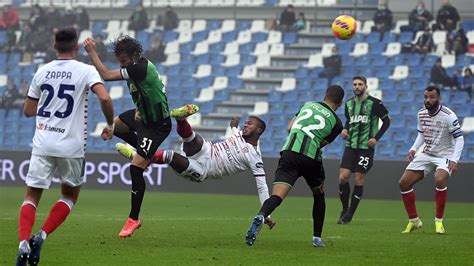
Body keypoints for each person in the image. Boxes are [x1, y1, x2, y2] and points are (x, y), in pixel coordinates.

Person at [15, 28, 115, 265]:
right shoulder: (86, 70)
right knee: (69, 196)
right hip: (71, 147)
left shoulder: (42, 71)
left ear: (54, 46)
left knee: (31, 196)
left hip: (42, 143)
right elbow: (105, 98)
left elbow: (28, 111)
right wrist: (110, 124)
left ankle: (22, 244)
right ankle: (41, 236)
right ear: (77, 47)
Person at [116, 106, 276, 229]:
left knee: (170, 156)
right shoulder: (240, 134)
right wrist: (234, 125)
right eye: (246, 123)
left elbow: (262, 187)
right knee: (193, 139)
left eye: (250, 124)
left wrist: (266, 213)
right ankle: (180, 119)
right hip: (208, 150)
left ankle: (141, 156)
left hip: (203, 169)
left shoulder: (255, 157)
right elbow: (236, 131)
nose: (245, 126)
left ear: (259, 130)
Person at [84, 35, 172, 238]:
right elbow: (148, 93)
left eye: (124, 61)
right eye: (120, 61)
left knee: (135, 168)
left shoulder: (139, 68)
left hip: (157, 126)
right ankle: (146, 153)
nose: (122, 65)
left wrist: (91, 52)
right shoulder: (135, 67)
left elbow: (105, 74)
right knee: (111, 129)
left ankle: (134, 218)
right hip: (143, 117)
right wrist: (140, 109)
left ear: (134, 56)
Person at [245, 85, 345, 247]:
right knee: (319, 194)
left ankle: (262, 215)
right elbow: (321, 142)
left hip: (289, 152)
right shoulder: (337, 124)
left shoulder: (307, 105)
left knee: (277, 196)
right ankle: (316, 238)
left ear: (325, 95)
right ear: (340, 103)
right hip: (310, 158)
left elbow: (290, 127)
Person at [399, 86, 464, 234]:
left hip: (445, 155)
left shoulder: (448, 115)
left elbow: (459, 138)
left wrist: (454, 159)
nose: (428, 100)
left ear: (438, 98)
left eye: (432, 97)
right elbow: (422, 134)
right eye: (426, 97)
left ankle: (439, 222)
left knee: (439, 179)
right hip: (427, 153)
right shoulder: (421, 113)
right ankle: (414, 221)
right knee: (403, 183)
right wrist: (414, 148)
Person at [337, 76, 391, 224]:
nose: (357, 87)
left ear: (366, 87)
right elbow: (349, 120)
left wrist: (376, 138)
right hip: (350, 146)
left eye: (360, 84)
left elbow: (387, 121)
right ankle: (344, 208)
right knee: (343, 177)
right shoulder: (348, 104)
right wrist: (345, 130)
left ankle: (349, 215)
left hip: (365, 148)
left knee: (359, 179)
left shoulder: (375, 103)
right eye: (354, 84)